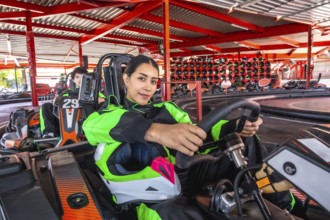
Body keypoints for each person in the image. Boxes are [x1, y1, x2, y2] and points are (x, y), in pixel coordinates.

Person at [82, 55, 293, 219]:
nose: (148, 86)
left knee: (245, 140)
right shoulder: (107, 115)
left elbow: (199, 131)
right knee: (180, 213)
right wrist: (156, 131)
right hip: (155, 194)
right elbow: (93, 126)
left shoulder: (167, 109)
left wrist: (235, 126)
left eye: (154, 81)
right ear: (126, 79)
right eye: (141, 78)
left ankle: (282, 206)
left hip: (188, 172)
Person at [40, 66, 89, 138]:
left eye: (82, 77)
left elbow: (102, 103)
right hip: (64, 120)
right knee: (46, 106)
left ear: (87, 79)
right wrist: (55, 101)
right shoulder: (65, 93)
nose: (80, 79)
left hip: (84, 120)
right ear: (73, 79)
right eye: (77, 77)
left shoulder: (93, 93)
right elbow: (55, 107)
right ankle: (49, 133)